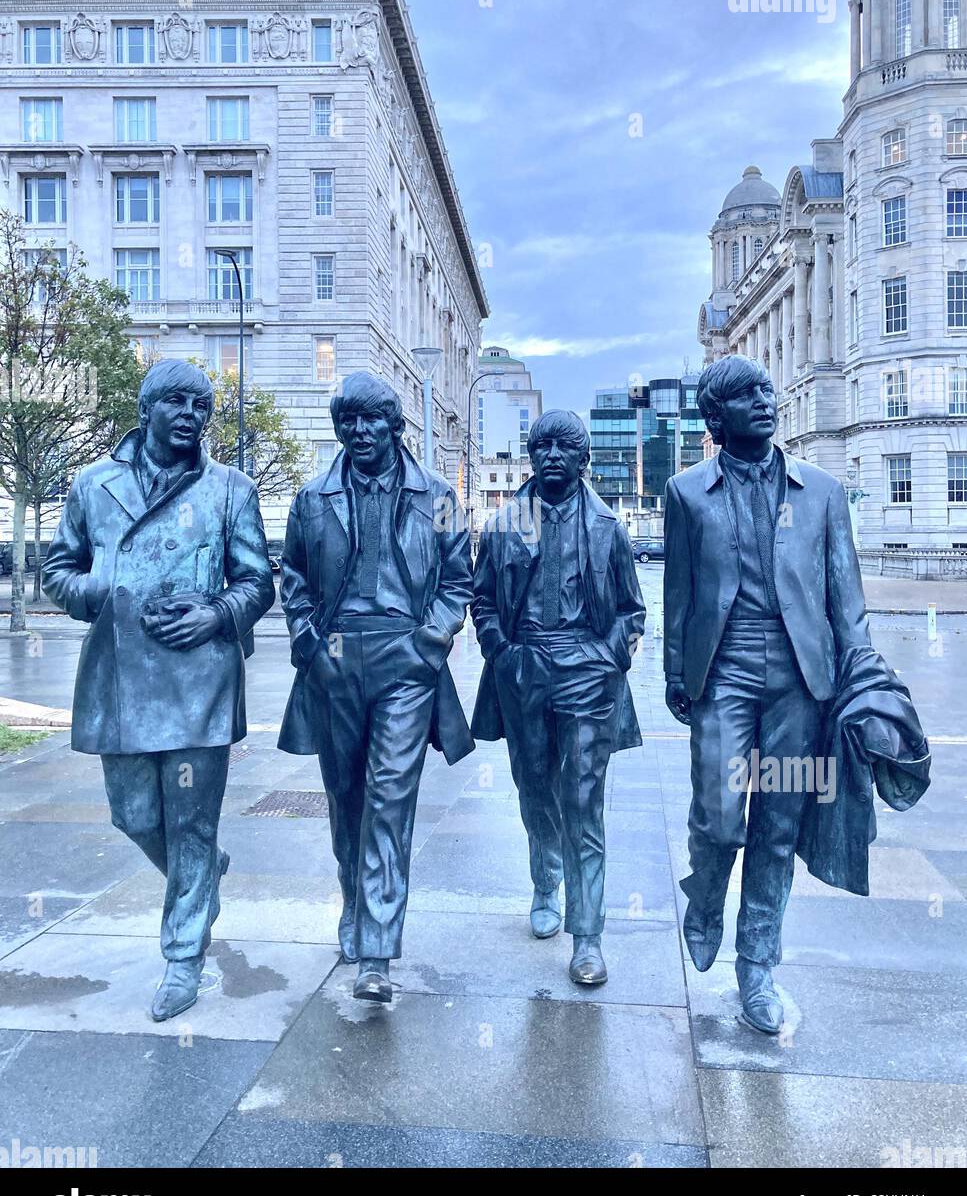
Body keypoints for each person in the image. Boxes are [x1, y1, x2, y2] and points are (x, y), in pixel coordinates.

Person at [43, 359, 275, 1021]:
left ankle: (182, 958)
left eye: (201, 405)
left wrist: (217, 613)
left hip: (200, 678)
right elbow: (59, 571)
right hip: (121, 678)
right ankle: (201, 878)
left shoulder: (230, 489)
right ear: (145, 410)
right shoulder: (94, 485)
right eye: (176, 402)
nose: (191, 415)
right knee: (134, 816)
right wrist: (105, 593)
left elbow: (257, 581)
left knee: (192, 824)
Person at [663, 356, 871, 1032]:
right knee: (720, 817)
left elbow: (847, 598)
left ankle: (757, 966)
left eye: (766, 390)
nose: (766, 399)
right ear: (714, 416)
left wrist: (859, 674)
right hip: (722, 675)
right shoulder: (687, 492)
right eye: (746, 394)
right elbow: (679, 594)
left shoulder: (821, 492)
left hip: (799, 683)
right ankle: (704, 895)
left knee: (776, 828)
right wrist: (675, 673)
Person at [278, 372, 474, 1004]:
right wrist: (309, 644)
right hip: (335, 657)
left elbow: (457, 581)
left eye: (370, 420)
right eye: (348, 421)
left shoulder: (437, 495)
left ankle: (376, 947)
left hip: (406, 661)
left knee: (390, 798)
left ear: (396, 426)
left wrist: (431, 642)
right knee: (347, 797)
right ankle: (353, 899)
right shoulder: (312, 498)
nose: (358, 432)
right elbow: (295, 577)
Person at [471, 410, 646, 986]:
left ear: (582, 458)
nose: (551, 455)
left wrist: (608, 656)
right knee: (534, 787)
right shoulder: (502, 526)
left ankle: (588, 934)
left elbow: (631, 609)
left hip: (587, 671)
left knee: (583, 800)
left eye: (563, 446)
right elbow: (484, 602)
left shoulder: (608, 528)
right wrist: (503, 652)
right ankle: (545, 882)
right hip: (525, 667)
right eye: (541, 445)